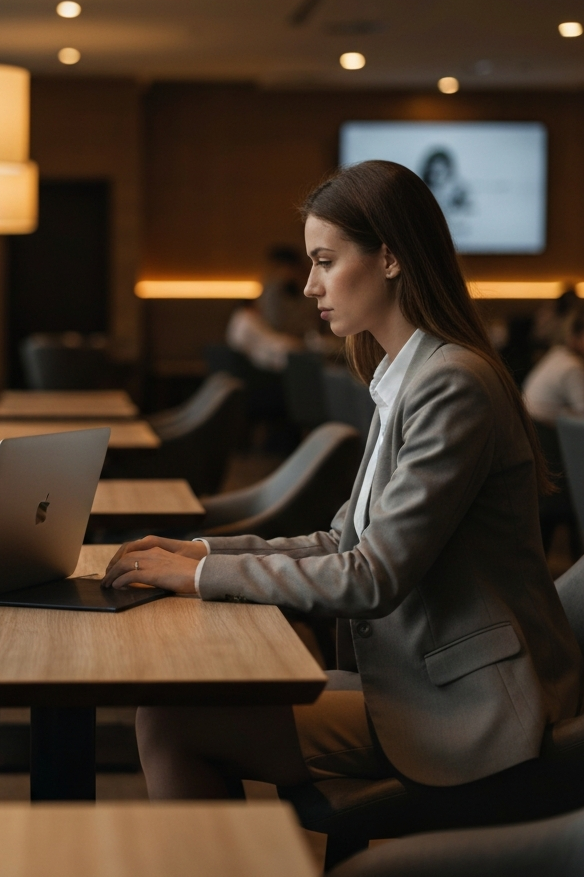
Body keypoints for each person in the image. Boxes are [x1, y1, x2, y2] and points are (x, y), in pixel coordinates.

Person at [103, 159, 583, 797]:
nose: (308, 286)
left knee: (172, 719)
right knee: (181, 705)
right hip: (418, 676)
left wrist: (194, 577)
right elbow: (344, 542)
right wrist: (203, 551)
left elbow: (372, 576)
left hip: (470, 704)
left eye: (325, 261)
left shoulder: (451, 384)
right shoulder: (405, 376)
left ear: (389, 258)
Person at [524, 308, 584, 424]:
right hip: (544, 432)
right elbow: (582, 411)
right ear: (575, 336)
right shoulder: (572, 366)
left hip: (530, 424)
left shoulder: (558, 354)